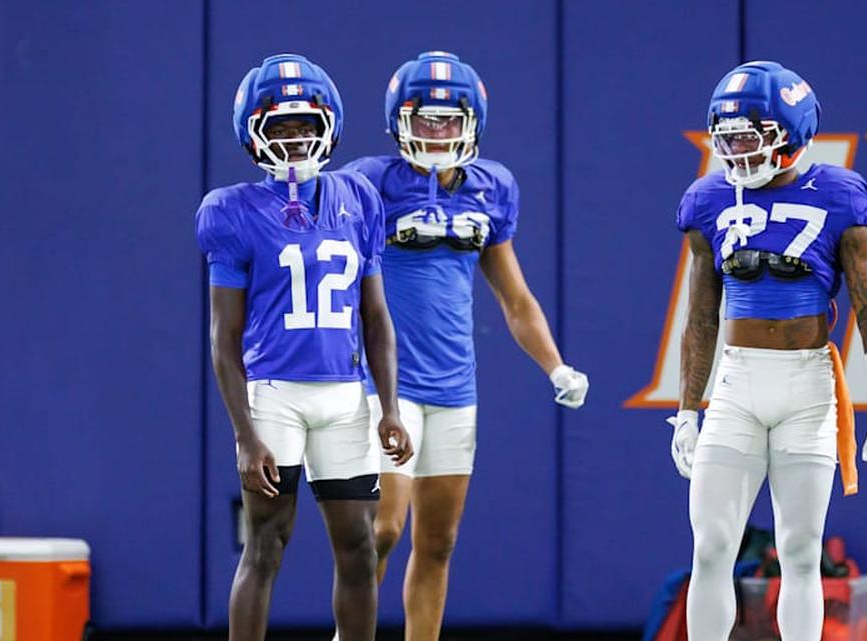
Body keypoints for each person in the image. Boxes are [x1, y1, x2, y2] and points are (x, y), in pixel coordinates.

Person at [335, 51, 589, 641]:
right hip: (383, 385)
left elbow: (516, 299)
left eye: (447, 120)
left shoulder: (491, 188)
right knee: (382, 530)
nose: (435, 131)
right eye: (423, 119)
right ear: (399, 120)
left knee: (439, 541)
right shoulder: (369, 182)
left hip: (454, 388)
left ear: (471, 121)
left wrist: (555, 367)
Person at [668, 61, 867, 641]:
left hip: (808, 389)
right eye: (725, 138)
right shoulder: (708, 199)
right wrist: (687, 409)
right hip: (738, 385)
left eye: (747, 137)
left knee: (800, 552)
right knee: (711, 548)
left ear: (790, 133)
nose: (734, 151)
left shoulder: (841, 194)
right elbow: (701, 315)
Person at [196, 53, 412, 641]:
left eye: (306, 127)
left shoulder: (360, 198)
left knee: (361, 548)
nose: (295, 141)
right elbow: (225, 337)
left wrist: (389, 406)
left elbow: (376, 316)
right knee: (265, 545)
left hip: (346, 395)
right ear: (253, 135)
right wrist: (245, 433)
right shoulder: (231, 210)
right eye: (280, 129)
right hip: (275, 397)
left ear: (329, 127)